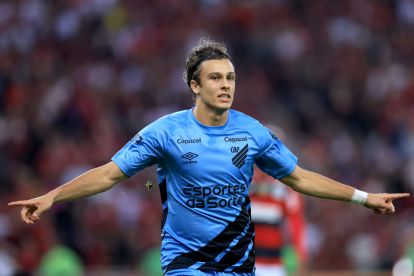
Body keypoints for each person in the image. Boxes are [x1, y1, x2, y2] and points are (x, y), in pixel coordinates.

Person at [8, 38, 410, 276]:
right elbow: (110, 174)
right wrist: (53, 196)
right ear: (193, 85)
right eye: (215, 77)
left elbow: (300, 178)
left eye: (230, 77)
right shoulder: (165, 132)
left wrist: (363, 197)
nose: (225, 85)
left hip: (238, 263)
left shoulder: (253, 132)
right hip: (186, 262)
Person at [250, 167, 306, 276]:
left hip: (275, 266)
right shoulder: (243, 185)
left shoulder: (285, 191)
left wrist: (299, 255)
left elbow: (296, 225)